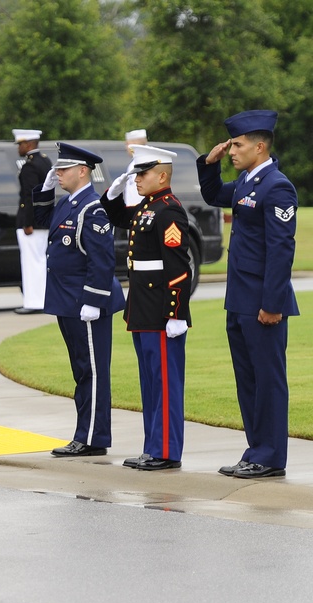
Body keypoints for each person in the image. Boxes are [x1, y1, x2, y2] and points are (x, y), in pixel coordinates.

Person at [197, 110, 299, 479]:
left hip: (262, 304)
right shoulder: (245, 183)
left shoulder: (277, 186)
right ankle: (256, 451)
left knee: (268, 380)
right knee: (248, 381)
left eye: (238, 145)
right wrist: (210, 163)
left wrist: (272, 304)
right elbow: (212, 194)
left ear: (260, 146)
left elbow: (281, 250)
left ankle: (270, 457)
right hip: (239, 301)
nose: (232, 150)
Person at [102, 145, 193, 471]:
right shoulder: (148, 207)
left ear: (162, 175)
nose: (137, 179)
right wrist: (113, 192)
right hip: (143, 307)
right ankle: (153, 447)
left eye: (143, 173)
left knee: (165, 383)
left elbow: (179, 268)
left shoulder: (169, 211)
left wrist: (176, 312)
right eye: (136, 173)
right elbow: (117, 217)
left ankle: (166, 450)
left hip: (160, 311)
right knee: (150, 382)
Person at [32, 143, 124, 456]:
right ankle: (85, 433)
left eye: (63, 169)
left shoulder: (92, 207)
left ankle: (92, 437)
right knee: (81, 369)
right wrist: (43, 192)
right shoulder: (69, 202)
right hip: (66, 300)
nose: (57, 174)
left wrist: (94, 300)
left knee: (92, 371)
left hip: (84, 302)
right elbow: (43, 219)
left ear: (82, 171)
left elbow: (102, 259)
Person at [13, 129, 53, 314]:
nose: (18, 148)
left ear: (29, 144)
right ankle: (43, 299)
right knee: (41, 261)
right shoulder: (45, 161)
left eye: (20, 144)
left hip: (32, 223)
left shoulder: (30, 166)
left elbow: (29, 196)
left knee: (32, 263)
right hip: (43, 220)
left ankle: (34, 302)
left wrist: (27, 222)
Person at [121, 129, 149, 207]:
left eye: (127, 144)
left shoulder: (144, 162)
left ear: (134, 144)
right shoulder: (134, 162)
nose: (126, 147)